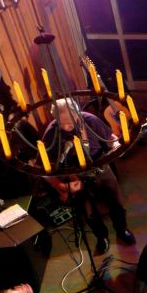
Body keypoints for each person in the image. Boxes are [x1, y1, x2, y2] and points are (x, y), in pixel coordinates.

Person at [42, 98, 135, 253]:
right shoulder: (52, 132)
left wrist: (116, 146)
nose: (66, 127)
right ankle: (101, 237)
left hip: (101, 168)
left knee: (116, 203)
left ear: (77, 113)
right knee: (89, 212)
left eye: (69, 122)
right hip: (76, 176)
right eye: (61, 123)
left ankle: (122, 230)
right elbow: (42, 169)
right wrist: (61, 185)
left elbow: (111, 139)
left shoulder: (90, 120)